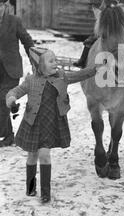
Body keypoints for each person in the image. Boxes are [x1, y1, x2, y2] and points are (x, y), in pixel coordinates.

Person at [6, 47, 96, 203]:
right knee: (32, 156)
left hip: (51, 122)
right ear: (40, 65)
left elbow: (79, 75)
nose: (56, 63)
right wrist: (11, 100)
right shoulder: (31, 80)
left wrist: (96, 68)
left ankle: (45, 193)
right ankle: (30, 186)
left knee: (45, 155)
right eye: (51, 60)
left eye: (56, 60)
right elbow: (15, 91)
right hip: (33, 123)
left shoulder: (61, 77)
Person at [0, 0, 34, 147]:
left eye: (0, 6)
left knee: (3, 99)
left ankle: (5, 134)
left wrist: (35, 61)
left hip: (11, 69)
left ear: (4, 7)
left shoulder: (14, 21)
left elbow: (27, 41)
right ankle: (8, 136)